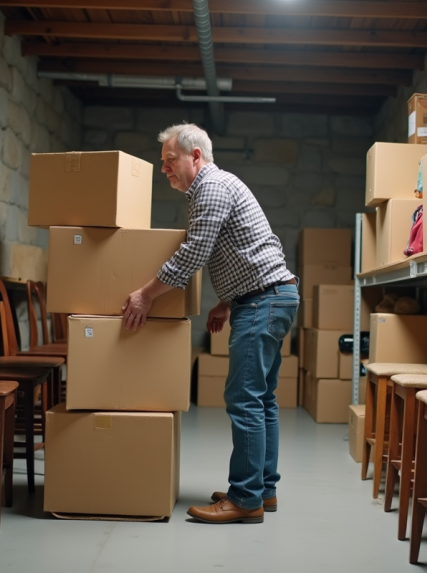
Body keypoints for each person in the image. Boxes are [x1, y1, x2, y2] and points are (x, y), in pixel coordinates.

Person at [122, 123, 299, 524]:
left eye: (169, 161)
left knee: (244, 399)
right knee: (262, 399)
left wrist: (145, 295)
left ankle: (246, 498)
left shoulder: (213, 188)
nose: (163, 168)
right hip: (271, 296)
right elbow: (243, 248)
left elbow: (194, 252)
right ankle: (262, 490)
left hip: (263, 303)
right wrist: (225, 301)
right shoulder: (215, 188)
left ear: (195, 156)